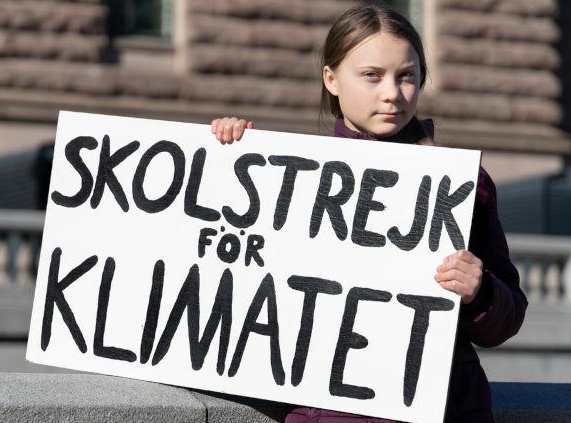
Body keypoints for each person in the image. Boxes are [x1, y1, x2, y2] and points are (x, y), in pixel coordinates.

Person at [209, 4, 527, 422]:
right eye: (372, 75)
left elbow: (506, 319)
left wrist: (480, 291)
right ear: (332, 78)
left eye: (406, 75)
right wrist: (227, 154)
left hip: (445, 406)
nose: (392, 93)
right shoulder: (289, 175)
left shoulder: (464, 184)